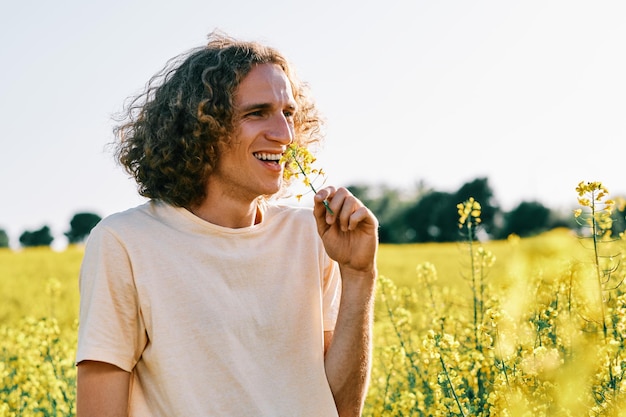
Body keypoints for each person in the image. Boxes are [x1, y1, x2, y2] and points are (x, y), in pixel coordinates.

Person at [76, 31, 378, 417]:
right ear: (201, 128)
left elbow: (340, 409)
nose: (285, 135)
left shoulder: (314, 237)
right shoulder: (125, 242)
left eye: (288, 113)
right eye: (257, 113)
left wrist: (359, 274)